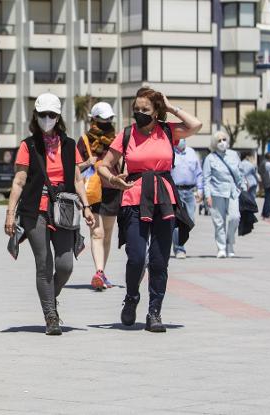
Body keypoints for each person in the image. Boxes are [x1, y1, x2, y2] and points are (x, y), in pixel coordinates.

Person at [97, 87, 201, 333]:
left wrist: (171, 107)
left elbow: (196, 125)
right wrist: (114, 180)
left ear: (157, 112)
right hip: (133, 198)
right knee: (136, 257)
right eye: (136, 109)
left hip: (163, 200)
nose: (140, 113)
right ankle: (131, 297)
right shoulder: (126, 135)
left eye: (146, 109)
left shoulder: (167, 131)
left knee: (159, 261)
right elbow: (103, 165)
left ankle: (155, 311)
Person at [5, 93, 95, 335]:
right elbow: (19, 181)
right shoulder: (28, 145)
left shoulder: (68, 145)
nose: (47, 119)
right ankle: (50, 316)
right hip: (36, 211)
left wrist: (86, 207)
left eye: (51, 115)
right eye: (43, 114)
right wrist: (10, 214)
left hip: (64, 209)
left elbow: (77, 180)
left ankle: (49, 298)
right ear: (36, 115)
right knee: (43, 264)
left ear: (58, 117)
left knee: (65, 265)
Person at [76, 101, 120, 290]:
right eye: (102, 120)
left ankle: (102, 273)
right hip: (93, 191)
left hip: (112, 189)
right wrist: (87, 162)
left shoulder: (118, 139)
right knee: (97, 233)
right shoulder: (83, 141)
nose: (106, 123)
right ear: (93, 119)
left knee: (108, 235)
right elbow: (74, 168)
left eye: (109, 119)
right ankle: (99, 272)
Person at [203, 131, 245, 259]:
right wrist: (207, 195)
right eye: (219, 141)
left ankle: (230, 243)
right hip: (216, 192)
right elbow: (206, 179)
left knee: (234, 217)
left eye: (224, 139)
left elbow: (240, 172)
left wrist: (243, 186)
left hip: (233, 192)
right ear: (215, 144)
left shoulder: (233, 155)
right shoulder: (210, 158)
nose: (222, 143)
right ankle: (221, 248)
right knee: (219, 222)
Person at [171, 138, 203, 259]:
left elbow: (199, 173)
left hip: (190, 192)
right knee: (177, 221)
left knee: (190, 220)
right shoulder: (170, 152)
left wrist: (200, 190)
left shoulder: (192, 153)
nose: (181, 141)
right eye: (179, 139)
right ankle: (179, 248)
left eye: (183, 139)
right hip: (175, 191)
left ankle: (179, 243)